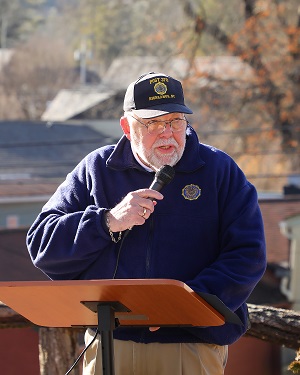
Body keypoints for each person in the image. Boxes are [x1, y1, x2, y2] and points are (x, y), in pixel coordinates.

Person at [27, 72, 266, 375]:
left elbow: (248, 255)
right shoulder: (97, 170)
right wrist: (107, 221)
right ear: (127, 127)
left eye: (176, 121)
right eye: (152, 123)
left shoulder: (220, 171)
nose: (167, 134)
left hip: (189, 344)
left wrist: (182, 305)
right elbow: (42, 244)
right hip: (109, 343)